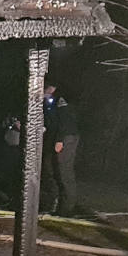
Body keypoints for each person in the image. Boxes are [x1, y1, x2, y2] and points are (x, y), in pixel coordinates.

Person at [41, 83, 80, 216]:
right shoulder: (47, 102)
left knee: (64, 172)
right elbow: (51, 122)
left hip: (66, 138)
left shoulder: (59, 100)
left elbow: (65, 121)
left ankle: (67, 208)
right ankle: (55, 203)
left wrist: (60, 140)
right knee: (50, 169)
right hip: (54, 139)